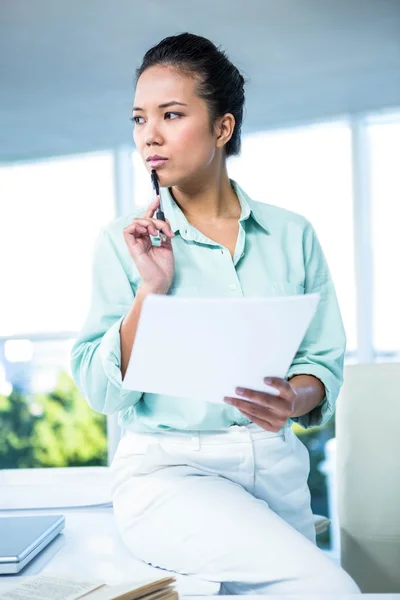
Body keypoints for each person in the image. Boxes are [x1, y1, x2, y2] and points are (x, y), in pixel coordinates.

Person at [71, 33, 360, 595]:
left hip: (278, 471)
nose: (148, 136)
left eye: (171, 114)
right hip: (170, 474)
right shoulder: (122, 243)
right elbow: (101, 394)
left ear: (222, 128)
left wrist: (292, 398)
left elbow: (321, 360)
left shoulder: (292, 234)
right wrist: (150, 291)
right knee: (329, 588)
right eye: (138, 119)